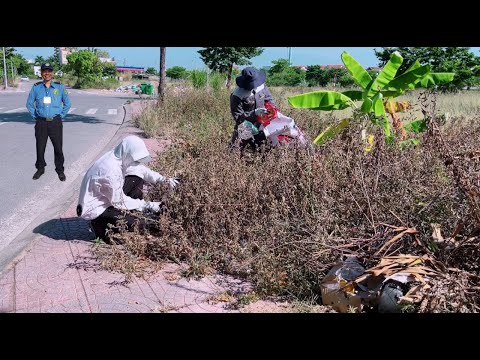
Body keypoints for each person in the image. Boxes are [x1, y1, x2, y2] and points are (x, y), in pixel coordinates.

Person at [76, 135, 180, 242]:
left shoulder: (119, 155)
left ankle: (133, 212)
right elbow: (119, 202)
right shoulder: (110, 171)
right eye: (135, 159)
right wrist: (148, 205)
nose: (136, 162)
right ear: (128, 154)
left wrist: (165, 180)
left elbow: (142, 171)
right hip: (97, 210)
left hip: (107, 198)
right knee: (140, 223)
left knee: (136, 178)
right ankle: (99, 226)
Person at [26, 63, 71, 181]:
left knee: (58, 148)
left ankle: (60, 170)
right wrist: (36, 116)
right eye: (45, 71)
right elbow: (29, 104)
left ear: (52, 73)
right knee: (40, 147)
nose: (47, 73)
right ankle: (40, 168)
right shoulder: (36, 88)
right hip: (41, 123)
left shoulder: (59, 87)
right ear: (41, 73)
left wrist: (60, 115)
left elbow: (67, 103)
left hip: (55, 122)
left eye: (49, 71)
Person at [229, 66, 276, 149]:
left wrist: (271, 109)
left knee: (264, 150)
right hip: (245, 127)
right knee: (235, 150)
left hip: (262, 125)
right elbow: (238, 117)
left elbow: (269, 100)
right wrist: (254, 113)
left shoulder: (262, 87)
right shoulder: (237, 95)